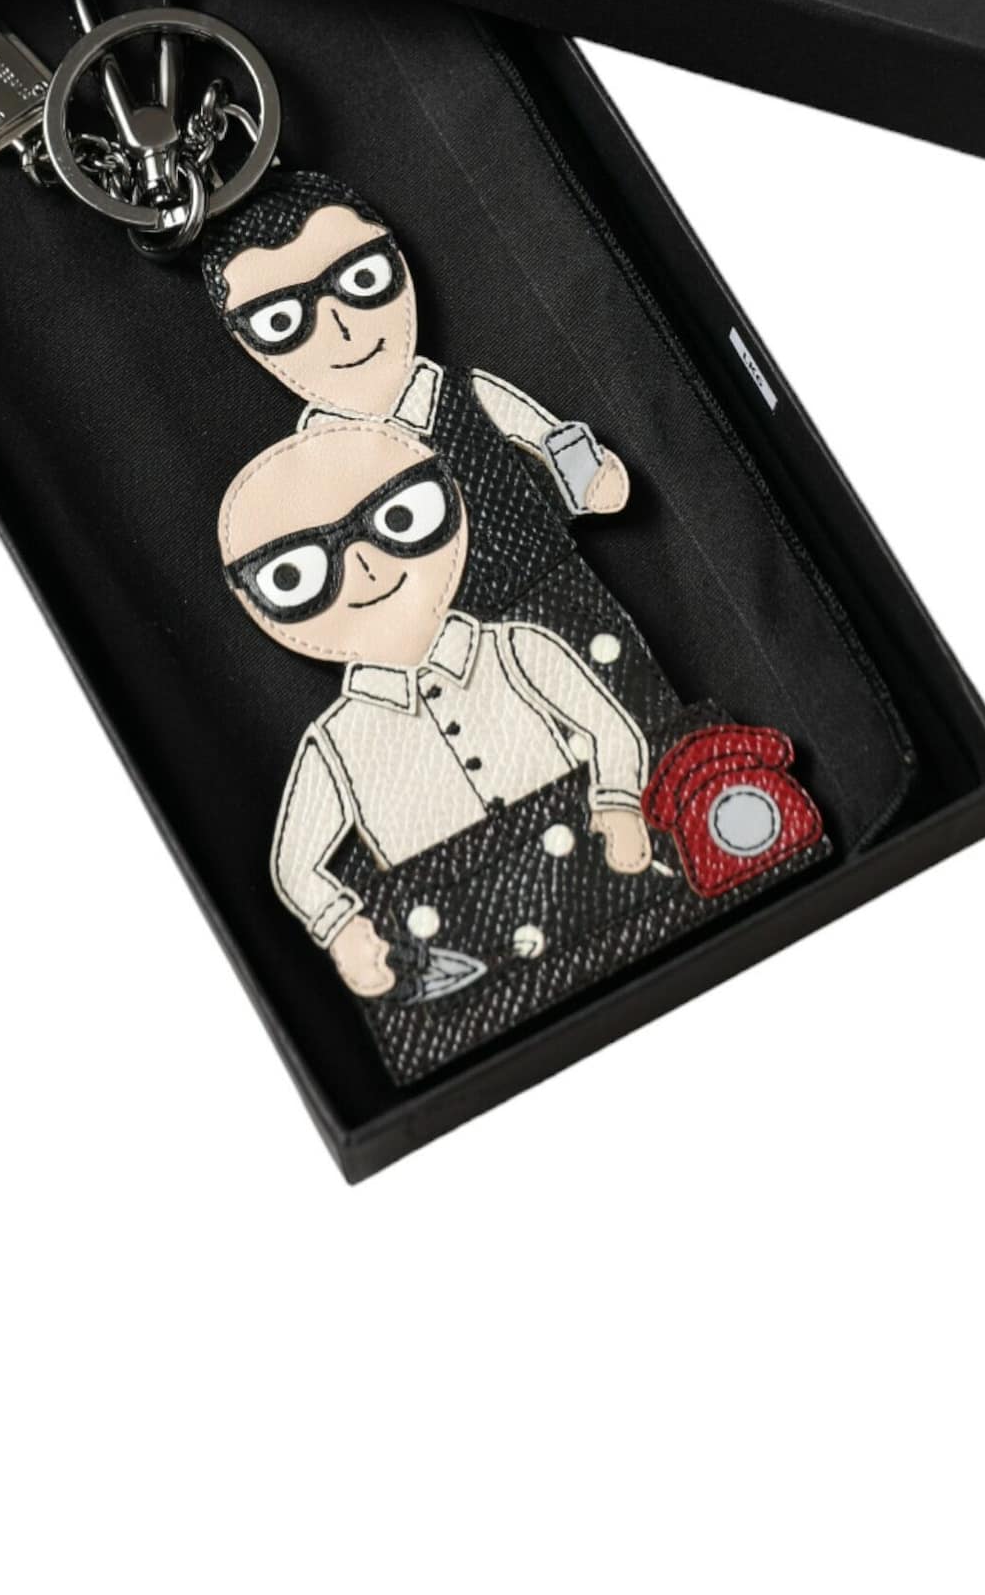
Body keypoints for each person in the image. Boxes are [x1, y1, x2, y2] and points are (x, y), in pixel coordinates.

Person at [219, 419, 757, 1080]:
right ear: (257, 597)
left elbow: (609, 727)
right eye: (297, 572)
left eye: (398, 519)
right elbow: (296, 864)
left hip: (616, 883)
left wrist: (619, 801)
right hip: (475, 949)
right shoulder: (335, 742)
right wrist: (343, 927)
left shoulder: (516, 647)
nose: (364, 567)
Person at [200, 168, 689, 751]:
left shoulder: (468, 394)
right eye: (282, 320)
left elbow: (552, 444)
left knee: (630, 706)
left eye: (361, 280)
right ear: (248, 335)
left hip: (544, 581)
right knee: (517, 753)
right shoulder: (314, 463)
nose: (340, 327)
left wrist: (588, 477)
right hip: (438, 654)